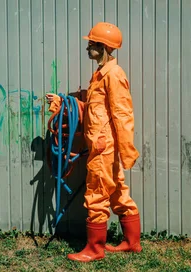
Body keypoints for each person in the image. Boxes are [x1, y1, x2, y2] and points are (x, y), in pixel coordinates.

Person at [45, 22, 142, 262]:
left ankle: (95, 249)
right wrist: (62, 101)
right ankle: (132, 242)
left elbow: (122, 113)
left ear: (104, 46)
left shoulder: (114, 75)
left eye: (92, 44)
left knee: (97, 193)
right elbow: (92, 107)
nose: (88, 47)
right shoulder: (100, 75)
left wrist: (127, 150)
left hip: (103, 146)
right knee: (118, 191)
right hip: (102, 144)